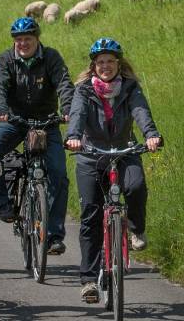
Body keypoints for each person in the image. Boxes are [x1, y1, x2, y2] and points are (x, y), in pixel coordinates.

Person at [64, 38, 163, 304]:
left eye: (110, 61)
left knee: (135, 186)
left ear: (119, 64)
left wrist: (151, 135)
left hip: (124, 151)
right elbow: (77, 114)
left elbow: (141, 112)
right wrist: (73, 136)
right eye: (100, 62)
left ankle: (135, 229)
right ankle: (88, 280)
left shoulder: (130, 88)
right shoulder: (84, 89)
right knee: (91, 215)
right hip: (91, 154)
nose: (105, 66)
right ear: (93, 66)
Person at [0, 17, 75, 256]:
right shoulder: (6, 59)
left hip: (47, 122)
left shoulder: (51, 58)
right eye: (19, 39)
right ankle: (2, 204)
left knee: (58, 173)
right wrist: (0, 109)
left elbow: (65, 84)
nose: (23, 43)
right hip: (15, 121)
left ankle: (54, 235)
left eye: (28, 38)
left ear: (37, 39)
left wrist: (67, 109)